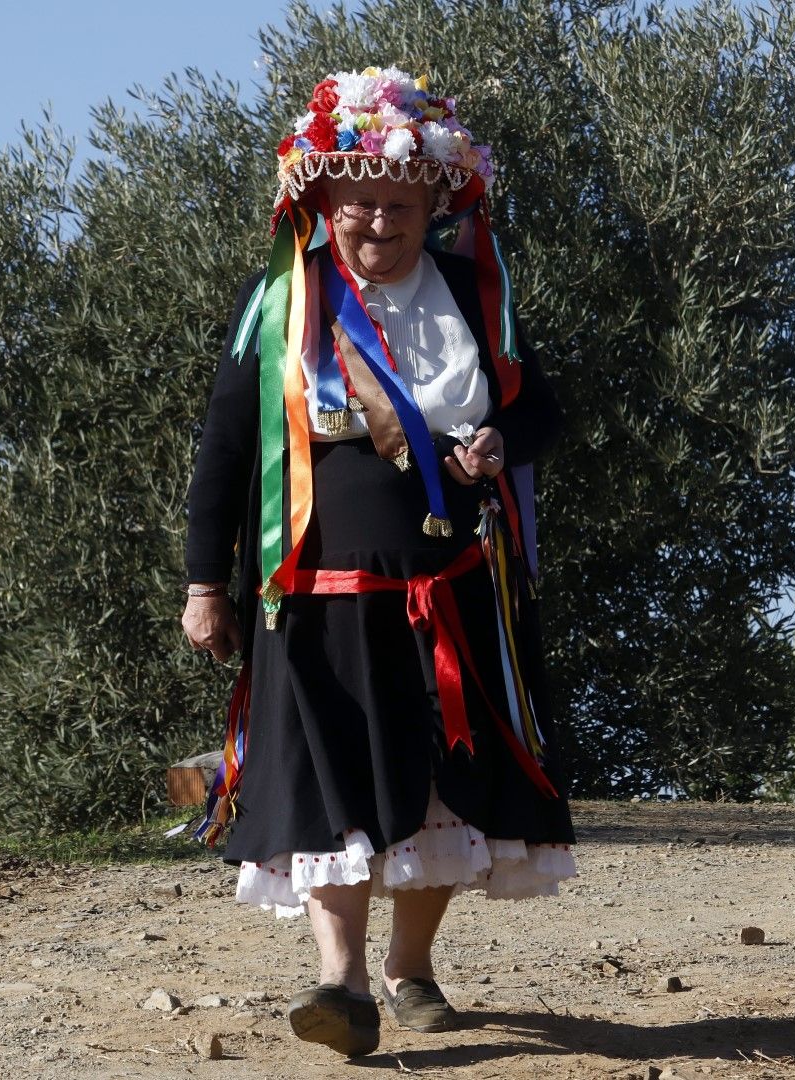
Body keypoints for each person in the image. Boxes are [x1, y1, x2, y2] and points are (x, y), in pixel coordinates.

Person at [181, 67, 578, 1058]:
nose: (375, 222)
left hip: (455, 594)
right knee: (329, 792)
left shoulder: (475, 293)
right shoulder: (278, 301)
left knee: (450, 788)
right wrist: (202, 584)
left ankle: (410, 968)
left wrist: (499, 440)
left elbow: (545, 407)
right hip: (317, 600)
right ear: (320, 200)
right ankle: (341, 983)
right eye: (356, 202)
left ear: (432, 201)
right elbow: (225, 448)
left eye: (397, 204)